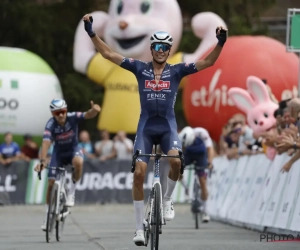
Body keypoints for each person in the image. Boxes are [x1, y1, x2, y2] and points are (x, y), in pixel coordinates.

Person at [82, 14, 227, 246]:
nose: (161, 50)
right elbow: (108, 54)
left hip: (168, 126)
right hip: (146, 127)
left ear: (169, 50)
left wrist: (220, 42)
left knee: (176, 162)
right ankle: (139, 229)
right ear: (152, 49)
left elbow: (207, 62)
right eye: (157, 46)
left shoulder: (177, 70)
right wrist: (91, 32)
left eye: (165, 47)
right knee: (139, 173)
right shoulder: (139, 68)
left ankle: (167, 199)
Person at [34, 98, 100, 231]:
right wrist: (42, 161)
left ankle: (71, 193)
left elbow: (88, 115)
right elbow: (46, 143)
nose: (60, 115)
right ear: (53, 114)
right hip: (58, 154)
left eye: (62, 112)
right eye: (56, 113)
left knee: (79, 162)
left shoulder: (72, 117)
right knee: (51, 183)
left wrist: (95, 111)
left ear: (66, 111)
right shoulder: (50, 124)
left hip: (73, 150)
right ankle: (47, 216)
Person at [178, 126, 213, 223]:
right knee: (177, 168)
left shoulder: (202, 133)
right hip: (187, 154)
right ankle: (186, 187)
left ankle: (205, 211)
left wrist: (209, 162)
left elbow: (210, 148)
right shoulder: (181, 137)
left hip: (200, 155)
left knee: (203, 182)